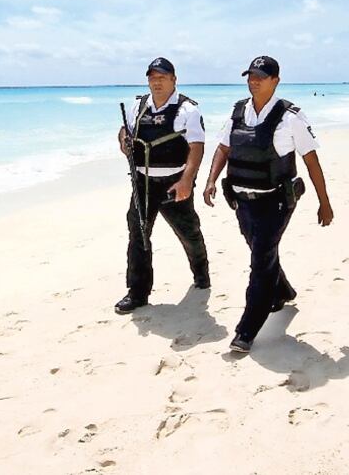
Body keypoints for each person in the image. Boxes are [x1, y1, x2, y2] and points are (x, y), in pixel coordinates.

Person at [202, 56, 334, 353]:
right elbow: (223, 148)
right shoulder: (238, 112)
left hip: (276, 203)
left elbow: (311, 161)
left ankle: (247, 330)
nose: (254, 81)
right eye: (250, 75)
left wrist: (324, 202)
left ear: (275, 80)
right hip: (242, 201)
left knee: (260, 261)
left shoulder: (291, 118)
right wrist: (211, 180)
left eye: (261, 76)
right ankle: (283, 292)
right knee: (261, 251)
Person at [115, 58, 210, 314]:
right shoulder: (139, 105)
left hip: (173, 182)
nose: (156, 82)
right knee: (138, 236)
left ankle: (201, 272)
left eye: (162, 77)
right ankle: (137, 293)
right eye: (152, 77)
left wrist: (186, 181)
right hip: (143, 182)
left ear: (173, 79)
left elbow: (197, 147)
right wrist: (124, 140)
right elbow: (125, 131)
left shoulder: (187, 110)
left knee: (188, 232)